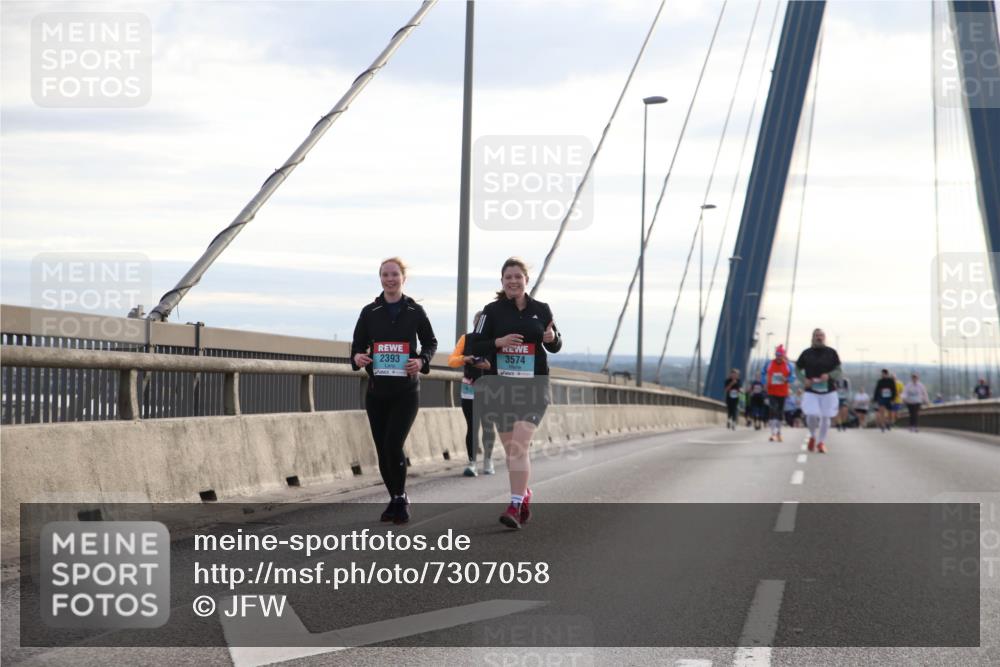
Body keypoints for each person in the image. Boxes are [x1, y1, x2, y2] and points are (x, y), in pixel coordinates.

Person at [468, 258, 562, 529]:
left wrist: (551, 339)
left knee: (520, 445)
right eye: (508, 277)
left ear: (526, 280)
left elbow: (556, 342)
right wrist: (498, 342)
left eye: (517, 277)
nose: (513, 281)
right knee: (512, 452)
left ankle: (514, 504)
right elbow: (475, 343)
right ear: (502, 281)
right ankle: (524, 493)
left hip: (534, 387)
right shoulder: (492, 311)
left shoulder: (541, 310)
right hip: (501, 389)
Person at [351, 257, 437, 524]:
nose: (390, 279)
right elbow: (356, 347)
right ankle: (396, 497)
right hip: (377, 392)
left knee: (393, 444)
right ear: (380, 279)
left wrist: (422, 361)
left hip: (405, 392)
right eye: (385, 275)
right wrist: (358, 358)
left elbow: (430, 342)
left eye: (394, 275)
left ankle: (399, 499)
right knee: (382, 450)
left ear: (403, 278)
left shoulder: (415, 311)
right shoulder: (370, 312)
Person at [447, 312, 496, 476]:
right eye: (477, 322)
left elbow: (496, 364)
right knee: (472, 427)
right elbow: (452, 360)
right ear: (474, 323)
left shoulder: (495, 341)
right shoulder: (465, 339)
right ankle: (472, 462)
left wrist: (488, 365)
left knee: (488, 426)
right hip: (469, 388)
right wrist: (465, 359)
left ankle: (488, 461)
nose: (480, 325)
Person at [794, 328, 843, 453]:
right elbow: (797, 369)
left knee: (826, 417)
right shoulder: (806, 353)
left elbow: (839, 371)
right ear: (813, 338)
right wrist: (804, 379)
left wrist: (829, 375)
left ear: (824, 338)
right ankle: (812, 436)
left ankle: (821, 442)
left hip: (829, 390)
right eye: (817, 335)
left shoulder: (831, 353)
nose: (819, 338)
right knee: (811, 415)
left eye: (821, 335)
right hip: (811, 390)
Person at [761, 345, 793, 442]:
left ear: (783, 356)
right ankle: (773, 434)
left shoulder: (789, 365)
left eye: (780, 355)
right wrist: (764, 382)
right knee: (773, 411)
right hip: (772, 391)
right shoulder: (769, 363)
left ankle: (779, 432)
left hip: (783, 392)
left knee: (780, 413)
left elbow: (793, 377)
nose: (778, 357)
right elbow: (763, 373)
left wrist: (786, 379)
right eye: (777, 354)